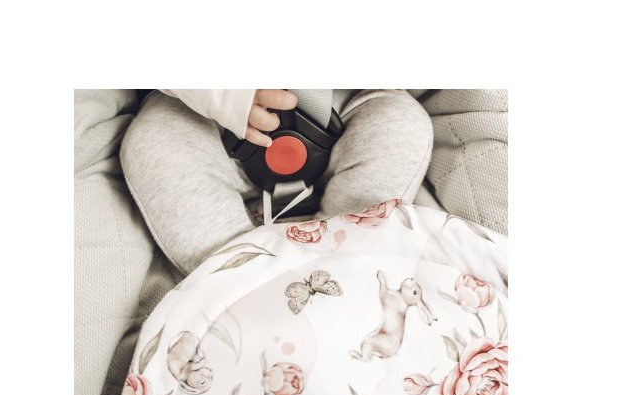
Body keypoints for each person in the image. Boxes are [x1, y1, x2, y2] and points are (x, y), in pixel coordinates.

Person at [120, 89, 433, 274]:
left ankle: (339, 262)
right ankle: (238, 272)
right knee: (155, 140)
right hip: (210, 120)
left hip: (343, 112)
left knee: (401, 124)